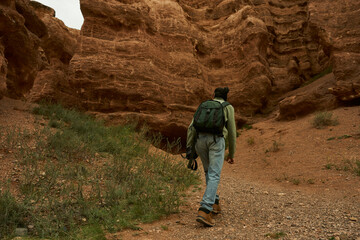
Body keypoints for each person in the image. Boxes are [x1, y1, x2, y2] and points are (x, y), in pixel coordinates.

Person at [186, 87, 236, 227]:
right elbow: (231, 132)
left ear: (213, 95)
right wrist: (231, 154)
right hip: (216, 141)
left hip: (200, 141)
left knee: (209, 172)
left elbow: (191, 127)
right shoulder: (228, 107)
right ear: (226, 97)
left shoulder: (204, 105)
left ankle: (214, 202)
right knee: (214, 174)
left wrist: (190, 148)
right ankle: (205, 209)